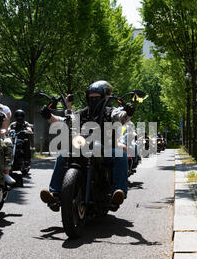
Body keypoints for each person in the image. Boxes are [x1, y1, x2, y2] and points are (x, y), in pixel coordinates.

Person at [39, 81, 135, 211]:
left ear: (104, 97)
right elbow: (64, 120)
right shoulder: (83, 112)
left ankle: (118, 192)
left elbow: (121, 116)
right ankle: (54, 194)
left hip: (105, 149)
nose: (94, 100)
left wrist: (128, 113)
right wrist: (48, 115)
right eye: (91, 97)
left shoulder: (110, 112)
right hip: (83, 147)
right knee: (62, 155)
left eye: (97, 97)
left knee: (122, 155)